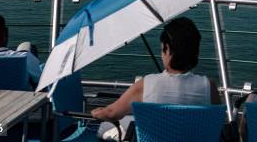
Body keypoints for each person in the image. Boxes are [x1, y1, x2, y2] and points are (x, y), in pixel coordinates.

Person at [91, 17, 221, 123]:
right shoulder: (209, 86)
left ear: (167, 49)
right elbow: (216, 122)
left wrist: (96, 112)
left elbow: (111, 113)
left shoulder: (146, 84)